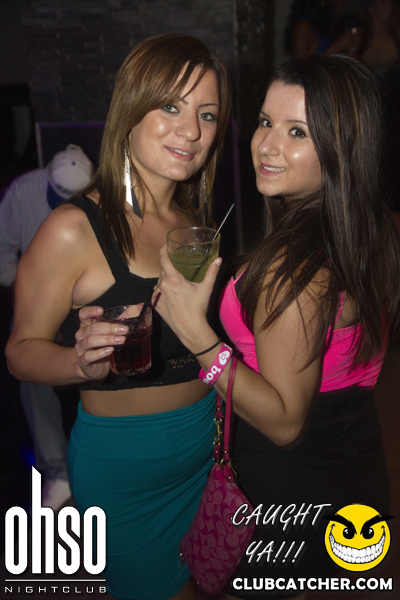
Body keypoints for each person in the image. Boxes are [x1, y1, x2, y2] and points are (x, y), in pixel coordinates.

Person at [152, 53, 400, 599]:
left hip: (292, 499)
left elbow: (285, 422)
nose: (267, 145)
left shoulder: (295, 268)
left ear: (341, 147)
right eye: (266, 122)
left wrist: (196, 334)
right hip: (352, 474)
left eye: (297, 132)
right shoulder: (368, 230)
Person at [5, 33, 231, 600]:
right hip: (126, 473)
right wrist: (79, 363)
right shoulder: (73, 229)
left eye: (207, 115)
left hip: (206, 454)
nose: (191, 130)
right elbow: (20, 352)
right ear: (130, 110)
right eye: (171, 106)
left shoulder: (194, 224)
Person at [0, 144, 94, 510]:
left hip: (85, 299)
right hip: (33, 297)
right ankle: (56, 472)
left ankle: (98, 463)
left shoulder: (100, 197)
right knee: (33, 375)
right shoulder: (23, 190)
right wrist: (23, 297)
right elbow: (2, 249)